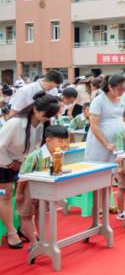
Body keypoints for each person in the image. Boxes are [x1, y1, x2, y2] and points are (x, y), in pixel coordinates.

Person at [0, 92, 60, 249]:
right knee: (5, 195)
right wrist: (10, 163)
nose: (46, 119)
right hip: (4, 162)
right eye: (45, 115)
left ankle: (24, 228)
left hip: (25, 164)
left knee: (26, 198)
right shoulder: (15, 123)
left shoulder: (43, 123)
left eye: (49, 116)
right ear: (34, 109)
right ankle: (11, 232)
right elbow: (0, 147)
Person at [16, 124, 69, 245]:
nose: (63, 144)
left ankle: (42, 239)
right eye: (60, 141)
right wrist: (19, 194)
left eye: (64, 141)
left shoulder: (59, 154)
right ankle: (34, 242)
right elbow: (22, 177)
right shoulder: (34, 156)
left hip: (44, 188)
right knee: (26, 215)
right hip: (28, 188)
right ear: (48, 140)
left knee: (41, 213)